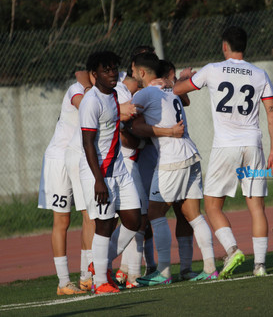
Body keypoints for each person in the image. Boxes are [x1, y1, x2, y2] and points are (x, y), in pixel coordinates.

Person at [174, 26, 273, 278]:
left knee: (212, 206)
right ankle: (260, 266)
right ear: (244, 46)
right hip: (253, 145)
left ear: (225, 46)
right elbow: (272, 112)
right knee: (257, 207)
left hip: (225, 146)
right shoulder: (259, 73)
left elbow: (177, 91)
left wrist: (181, 77)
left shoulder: (212, 69)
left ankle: (232, 249)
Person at [130, 53, 217, 285]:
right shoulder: (170, 91)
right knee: (193, 215)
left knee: (156, 214)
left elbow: (131, 119)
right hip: (191, 154)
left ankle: (164, 272)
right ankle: (209, 267)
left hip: (172, 158)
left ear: (141, 73)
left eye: (133, 73)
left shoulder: (146, 92)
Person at [79, 51, 141, 294]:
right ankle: (100, 282)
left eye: (114, 68)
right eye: (106, 70)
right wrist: (98, 181)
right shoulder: (91, 101)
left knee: (134, 219)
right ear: (94, 75)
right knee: (104, 224)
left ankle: (100, 264)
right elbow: (88, 143)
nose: (113, 73)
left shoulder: (114, 95)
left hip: (119, 169)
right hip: (98, 173)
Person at [37, 68, 96, 296]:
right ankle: (63, 282)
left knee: (88, 215)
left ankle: (86, 277)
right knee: (62, 220)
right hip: (58, 159)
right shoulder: (77, 88)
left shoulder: (98, 91)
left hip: (79, 158)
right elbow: (85, 106)